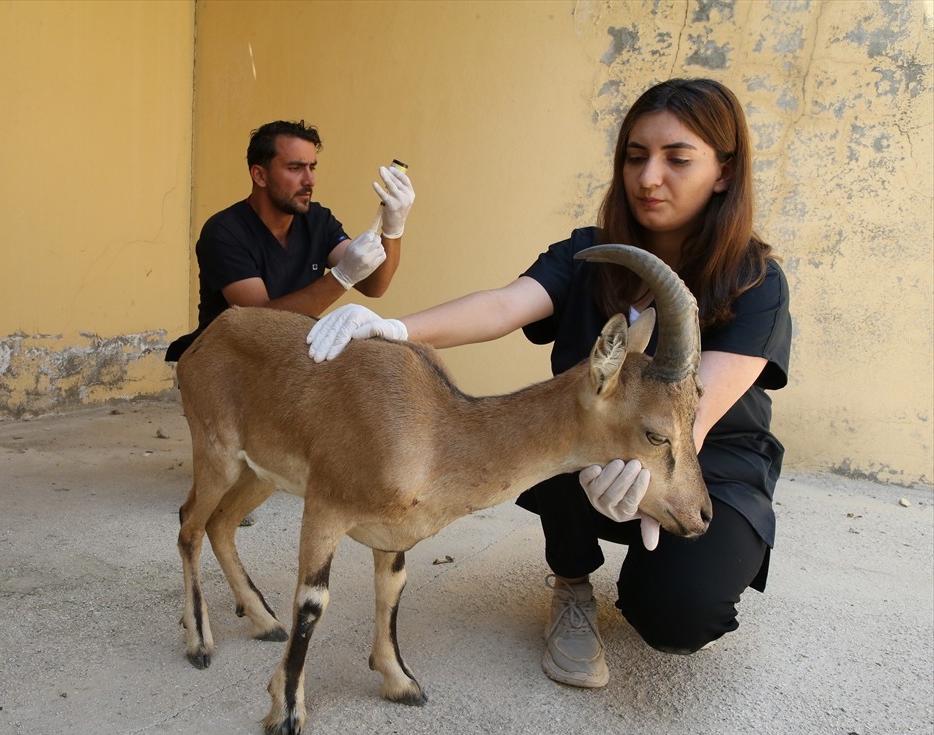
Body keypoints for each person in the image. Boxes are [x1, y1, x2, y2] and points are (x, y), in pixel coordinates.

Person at [305, 78, 791, 689]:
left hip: (702, 456)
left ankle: (661, 578)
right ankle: (571, 583)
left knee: (677, 616)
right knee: (552, 421)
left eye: (677, 159)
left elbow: (692, 414)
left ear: (723, 171)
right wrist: (393, 327)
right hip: (593, 446)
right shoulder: (590, 253)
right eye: (635, 157)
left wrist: (644, 473)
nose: (648, 178)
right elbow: (503, 306)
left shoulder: (756, 281)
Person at [165, 119, 415, 362]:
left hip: (287, 361)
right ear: (259, 176)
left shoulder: (318, 220)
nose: (310, 181)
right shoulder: (224, 232)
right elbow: (258, 323)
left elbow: (374, 286)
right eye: (295, 168)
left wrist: (393, 229)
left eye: (312, 167)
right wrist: (341, 277)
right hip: (227, 367)